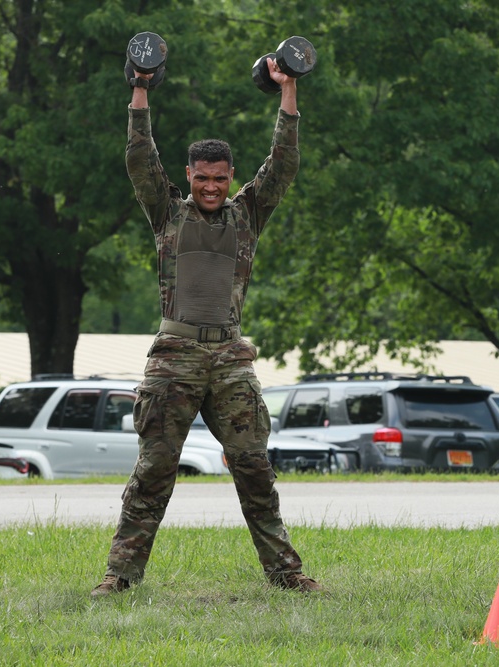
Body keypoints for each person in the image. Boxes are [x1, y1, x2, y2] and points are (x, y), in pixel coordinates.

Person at [91, 53, 322, 597]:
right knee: (155, 469)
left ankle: (286, 575)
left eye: (220, 179)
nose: (212, 187)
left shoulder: (247, 215)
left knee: (253, 466)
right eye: (202, 178)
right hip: (175, 355)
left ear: (231, 178)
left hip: (231, 358)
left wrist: (287, 88)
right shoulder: (168, 213)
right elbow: (138, 157)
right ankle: (120, 577)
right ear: (189, 176)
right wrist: (140, 87)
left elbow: (283, 162)